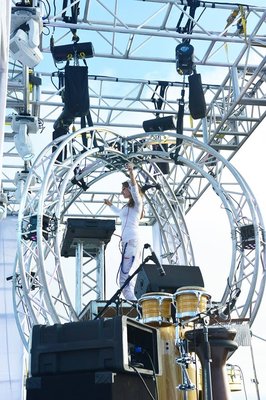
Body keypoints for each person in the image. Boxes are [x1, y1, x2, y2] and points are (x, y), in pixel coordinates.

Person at [104, 163, 143, 301]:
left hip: (132, 242)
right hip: (128, 243)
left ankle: (134, 304)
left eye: (123, 189)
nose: (122, 192)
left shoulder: (137, 203)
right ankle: (133, 303)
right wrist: (110, 205)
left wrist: (131, 172)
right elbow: (119, 213)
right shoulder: (127, 208)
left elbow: (134, 188)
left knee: (126, 279)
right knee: (124, 280)